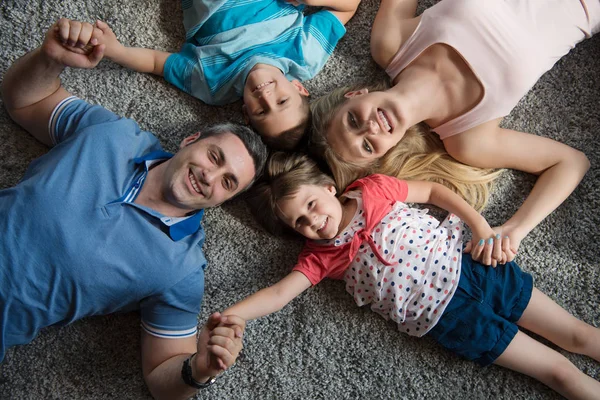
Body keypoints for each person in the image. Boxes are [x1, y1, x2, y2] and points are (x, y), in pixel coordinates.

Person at [0, 19, 268, 400]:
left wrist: (199, 369)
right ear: (191, 139)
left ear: (224, 201)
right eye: (214, 156)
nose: (211, 177)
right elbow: (24, 101)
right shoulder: (113, 133)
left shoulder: (181, 270)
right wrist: (49, 59)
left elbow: (161, 379)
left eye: (227, 182)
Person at [223, 152, 600, 400]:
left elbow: (434, 191)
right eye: (299, 223)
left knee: (577, 335)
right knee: (557, 372)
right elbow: (278, 293)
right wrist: (235, 315)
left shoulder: (372, 189)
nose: (312, 221)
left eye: (310, 205)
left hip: (476, 267)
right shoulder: (319, 257)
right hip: (449, 320)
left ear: (328, 187)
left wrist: (481, 226)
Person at [309, 0, 600, 256]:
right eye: (368, 145)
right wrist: (515, 229)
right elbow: (571, 162)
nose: (370, 128)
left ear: (355, 94)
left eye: (353, 120)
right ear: (385, 153)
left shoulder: (390, 44)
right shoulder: (467, 138)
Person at [92, 0, 360, 150]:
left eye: (261, 111)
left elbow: (156, 63)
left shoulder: (215, 86)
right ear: (299, 88)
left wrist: (116, 51)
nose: (266, 96)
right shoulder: (303, 54)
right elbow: (347, 6)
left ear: (245, 112)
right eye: (281, 101)